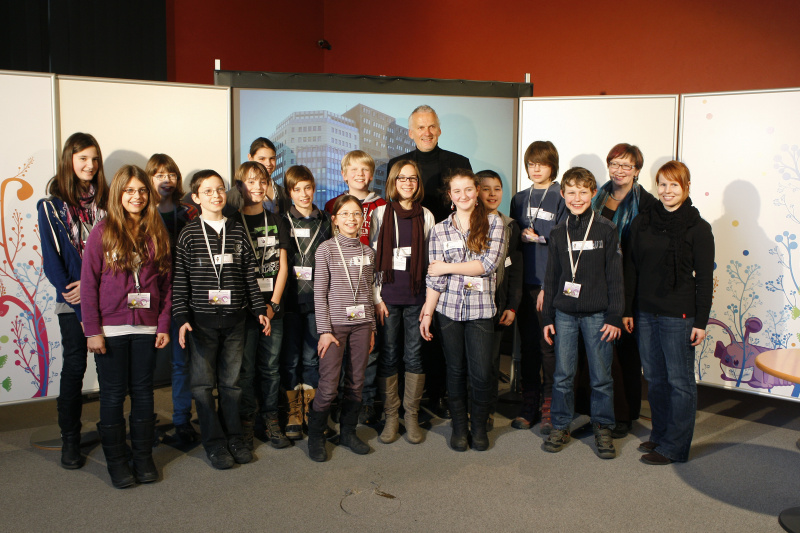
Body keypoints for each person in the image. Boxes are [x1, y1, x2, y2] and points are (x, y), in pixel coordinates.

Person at [80, 165, 172, 488]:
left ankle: (143, 457)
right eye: (130, 190)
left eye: (142, 191)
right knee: (113, 396)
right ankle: (117, 462)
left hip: (146, 330)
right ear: (118, 193)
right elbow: (88, 285)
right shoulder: (102, 232)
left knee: (145, 396)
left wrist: (163, 324)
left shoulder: (156, 231)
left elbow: (167, 283)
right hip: (111, 331)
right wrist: (92, 330)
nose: (137, 196)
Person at [172, 170, 270, 470]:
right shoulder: (188, 234)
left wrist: (259, 310)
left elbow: (249, 276)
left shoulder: (238, 231)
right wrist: (180, 318)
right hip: (201, 323)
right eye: (208, 191)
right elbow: (180, 281)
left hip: (235, 320)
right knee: (202, 386)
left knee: (232, 384)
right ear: (196, 197)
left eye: (220, 190)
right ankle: (213, 442)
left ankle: (235, 437)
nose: (216, 195)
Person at [623, 160, 714, 465]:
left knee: (679, 381)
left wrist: (701, 321)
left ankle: (676, 447)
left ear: (686, 187)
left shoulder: (698, 228)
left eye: (674, 184)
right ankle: (661, 436)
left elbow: (703, 279)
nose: (667, 190)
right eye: (662, 184)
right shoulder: (642, 222)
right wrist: (628, 309)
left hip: (680, 315)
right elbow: (631, 268)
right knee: (656, 379)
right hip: (646, 312)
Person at [387, 105, 472, 419]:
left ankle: (438, 394)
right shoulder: (397, 165)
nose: (426, 132)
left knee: (440, 331)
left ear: (439, 129)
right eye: (420, 128)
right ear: (411, 132)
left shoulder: (459, 163)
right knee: (411, 333)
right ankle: (409, 401)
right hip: (407, 263)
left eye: (431, 126)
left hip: (449, 259)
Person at [420, 169, 505, 452]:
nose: (463, 195)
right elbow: (434, 278)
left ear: (477, 191)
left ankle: (478, 428)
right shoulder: (440, 230)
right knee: (455, 371)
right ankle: (459, 428)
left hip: (481, 310)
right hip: (448, 311)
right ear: (450, 196)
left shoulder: (494, 223)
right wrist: (428, 312)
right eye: (457, 191)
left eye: (469, 189)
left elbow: (487, 265)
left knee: (481, 373)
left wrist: (448, 267)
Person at [542, 167, 624, 460]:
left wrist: (615, 316)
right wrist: (547, 318)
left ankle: (603, 426)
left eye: (583, 192)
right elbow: (551, 278)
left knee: (601, 377)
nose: (577, 198)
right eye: (571, 193)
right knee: (563, 375)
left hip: (598, 315)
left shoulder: (606, 229)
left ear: (592, 194)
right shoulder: (557, 232)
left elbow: (615, 277)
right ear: (562, 194)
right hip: (564, 315)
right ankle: (561, 425)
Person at [37, 132, 108, 470]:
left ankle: (112, 432)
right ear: (69, 160)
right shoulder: (51, 207)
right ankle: (70, 439)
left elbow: (117, 252)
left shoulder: (108, 202)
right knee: (75, 367)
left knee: (111, 369)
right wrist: (78, 295)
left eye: (94, 159)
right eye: (83, 159)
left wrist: (96, 286)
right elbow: (53, 262)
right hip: (72, 299)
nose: (90, 165)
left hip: (107, 296)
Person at [588, 143, 657, 438]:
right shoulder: (596, 196)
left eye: (626, 165)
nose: (619, 170)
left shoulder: (648, 204)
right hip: (596, 282)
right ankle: (601, 411)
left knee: (626, 353)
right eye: (614, 164)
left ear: (637, 171)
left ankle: (625, 414)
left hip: (628, 284)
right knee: (600, 349)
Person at [370, 160, 436, 444]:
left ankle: (410, 414)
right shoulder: (380, 214)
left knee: (414, 355)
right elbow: (372, 259)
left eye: (413, 179)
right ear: (393, 182)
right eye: (402, 178)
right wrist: (375, 298)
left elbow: (432, 262)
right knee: (389, 355)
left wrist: (429, 302)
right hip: (387, 298)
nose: (407, 183)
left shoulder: (428, 215)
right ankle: (390, 416)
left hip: (416, 299)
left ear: (418, 183)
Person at [308, 195, 377, 461]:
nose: (352, 219)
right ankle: (316, 436)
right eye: (345, 214)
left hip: (361, 326)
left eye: (357, 214)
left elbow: (368, 293)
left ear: (363, 219)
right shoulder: (326, 249)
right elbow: (320, 294)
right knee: (328, 386)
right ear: (335, 220)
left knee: (356, 383)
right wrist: (324, 330)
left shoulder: (367, 253)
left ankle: (348, 432)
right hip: (334, 327)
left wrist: (371, 327)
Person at [230, 161, 291, 450]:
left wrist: (273, 305)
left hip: (271, 307)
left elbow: (282, 267)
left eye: (261, 181)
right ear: (239, 186)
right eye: (249, 182)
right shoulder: (230, 222)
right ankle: (245, 422)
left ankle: (270, 419)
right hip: (243, 309)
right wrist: (254, 307)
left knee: (270, 367)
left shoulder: (277, 221)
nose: (256, 187)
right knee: (245, 370)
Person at [324, 150, 386, 425]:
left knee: (366, 355)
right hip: (340, 292)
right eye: (354, 170)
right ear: (344, 174)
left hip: (367, 284)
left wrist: (378, 294)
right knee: (336, 356)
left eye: (365, 170)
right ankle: (336, 402)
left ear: (371, 175)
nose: (360, 175)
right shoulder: (330, 206)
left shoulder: (383, 206)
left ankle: (365, 403)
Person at [508, 141, 566, 433]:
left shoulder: (562, 196)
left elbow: (567, 241)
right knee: (528, 349)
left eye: (542, 163)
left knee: (549, 349)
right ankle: (528, 403)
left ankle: (551, 407)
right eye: (531, 163)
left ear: (553, 165)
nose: (536, 168)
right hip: (525, 285)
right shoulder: (519, 198)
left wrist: (542, 240)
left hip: (550, 285)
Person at [145, 153, 200, 444]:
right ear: (149, 178)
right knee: (145, 365)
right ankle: (144, 422)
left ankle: (182, 421)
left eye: (172, 174)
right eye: (159, 175)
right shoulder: (140, 213)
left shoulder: (189, 211)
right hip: (147, 297)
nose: (167, 180)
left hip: (183, 295)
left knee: (181, 363)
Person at [281, 165, 332, 440]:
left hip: (316, 302)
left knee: (312, 360)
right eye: (297, 189)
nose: (303, 194)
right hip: (289, 301)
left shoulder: (326, 221)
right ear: (289, 192)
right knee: (290, 361)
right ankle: (293, 412)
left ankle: (310, 409)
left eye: (308, 188)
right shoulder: (280, 221)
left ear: (314, 188)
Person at [477, 170, 523, 432]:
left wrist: (512, 305)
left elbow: (515, 268)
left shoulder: (510, 226)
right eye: (486, 188)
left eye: (497, 188)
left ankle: (487, 410)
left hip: (497, 303)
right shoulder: (463, 222)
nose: (492, 194)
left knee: (491, 361)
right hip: (468, 302)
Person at [247, 137, 290, 214]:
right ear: (250, 158)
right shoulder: (238, 192)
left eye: (272, 158)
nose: (268, 163)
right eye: (262, 159)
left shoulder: (284, 194)